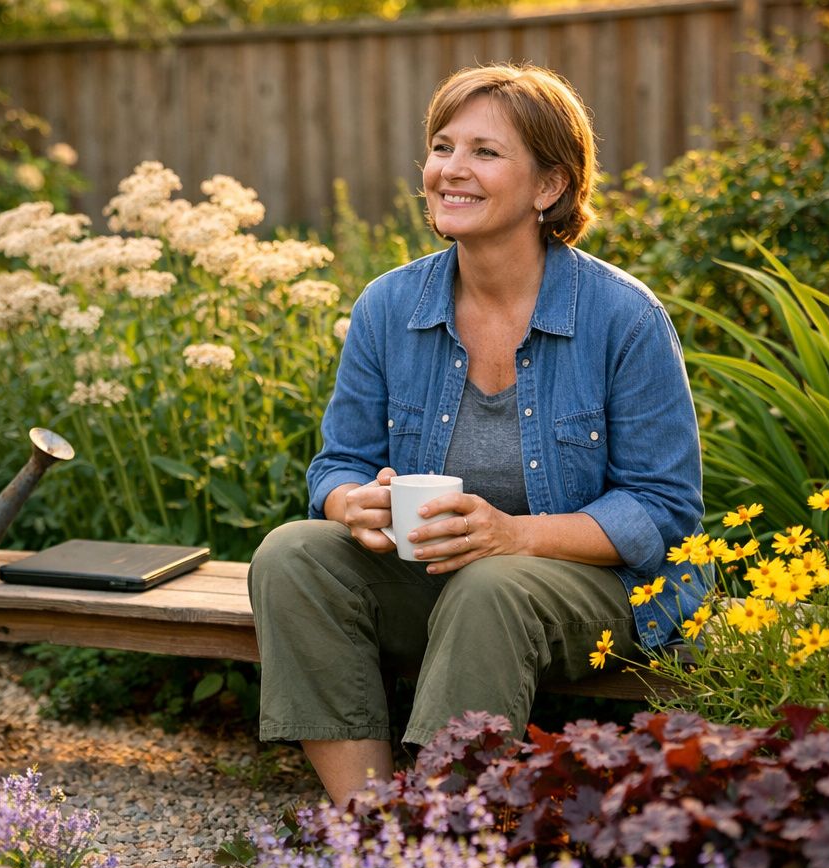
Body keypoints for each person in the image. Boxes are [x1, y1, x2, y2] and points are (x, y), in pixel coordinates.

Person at [248, 63, 706, 807]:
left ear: (549, 186)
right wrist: (347, 505)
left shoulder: (623, 317)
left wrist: (514, 536)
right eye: (441, 147)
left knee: (491, 584)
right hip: (440, 580)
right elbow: (338, 463)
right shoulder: (389, 305)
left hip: (595, 593)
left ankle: (445, 835)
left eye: (485, 153)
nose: (450, 170)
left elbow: (662, 511)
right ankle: (370, 822)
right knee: (291, 554)